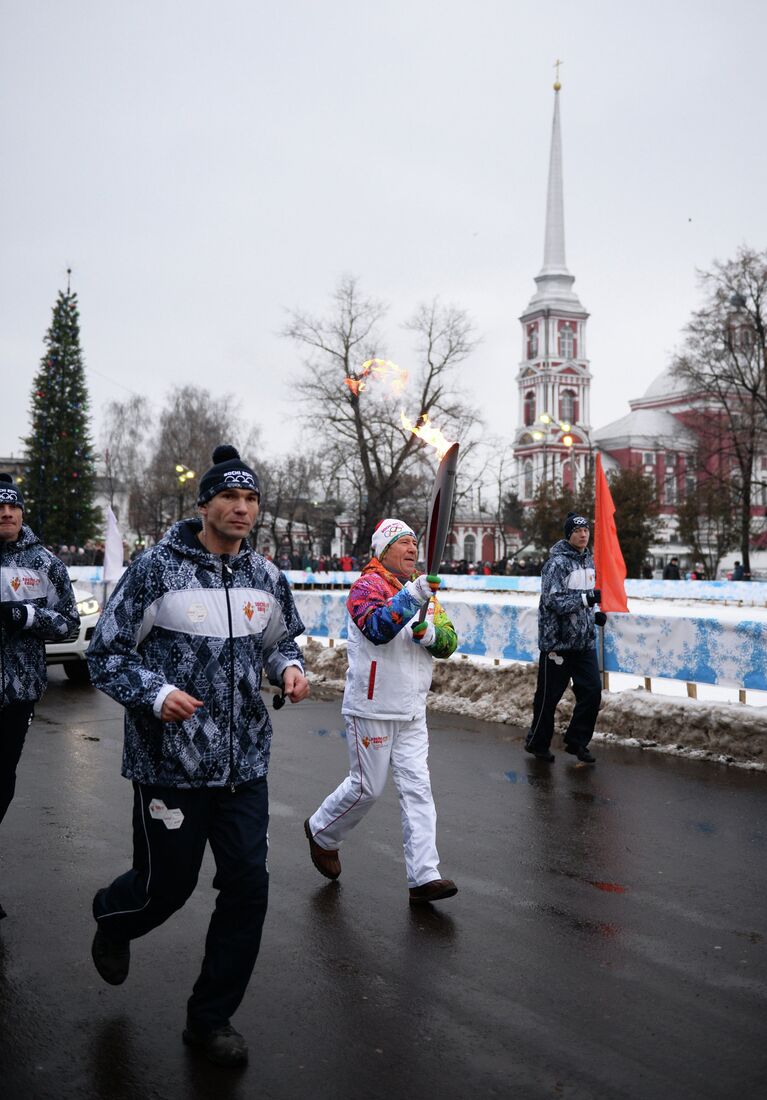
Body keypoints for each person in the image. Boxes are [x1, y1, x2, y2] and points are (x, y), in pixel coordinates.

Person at [86, 446, 309, 1067]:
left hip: (244, 766)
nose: (241, 509)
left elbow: (281, 639)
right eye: (229, 498)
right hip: (170, 765)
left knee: (248, 889)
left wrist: (288, 668)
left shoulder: (266, 576)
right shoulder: (157, 570)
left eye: (251, 499)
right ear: (204, 504)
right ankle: (113, 915)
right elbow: (106, 653)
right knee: (166, 888)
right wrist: (156, 695)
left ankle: (210, 1020)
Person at [304, 517, 459, 904]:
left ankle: (424, 875)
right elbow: (376, 627)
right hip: (372, 706)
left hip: (412, 709)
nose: (412, 550)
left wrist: (432, 635)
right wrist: (414, 595)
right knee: (366, 789)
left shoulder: (425, 591)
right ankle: (322, 831)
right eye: (403, 543)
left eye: (414, 543)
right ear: (383, 550)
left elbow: (450, 641)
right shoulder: (365, 587)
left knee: (418, 789)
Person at [0, 473, 79, 919]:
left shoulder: (44, 563)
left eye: (12, 506)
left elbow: (68, 621)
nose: (6, 514)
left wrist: (26, 614)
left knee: (3, 782)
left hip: (18, 690)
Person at [524, 512, 604, 766]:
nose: (583, 534)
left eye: (586, 530)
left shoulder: (589, 562)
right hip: (557, 643)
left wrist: (595, 615)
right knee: (548, 699)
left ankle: (577, 741)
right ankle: (537, 743)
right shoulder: (556, 564)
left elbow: (590, 599)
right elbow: (553, 600)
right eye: (578, 531)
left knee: (592, 692)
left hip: (583, 642)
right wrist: (585, 600)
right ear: (568, 534)